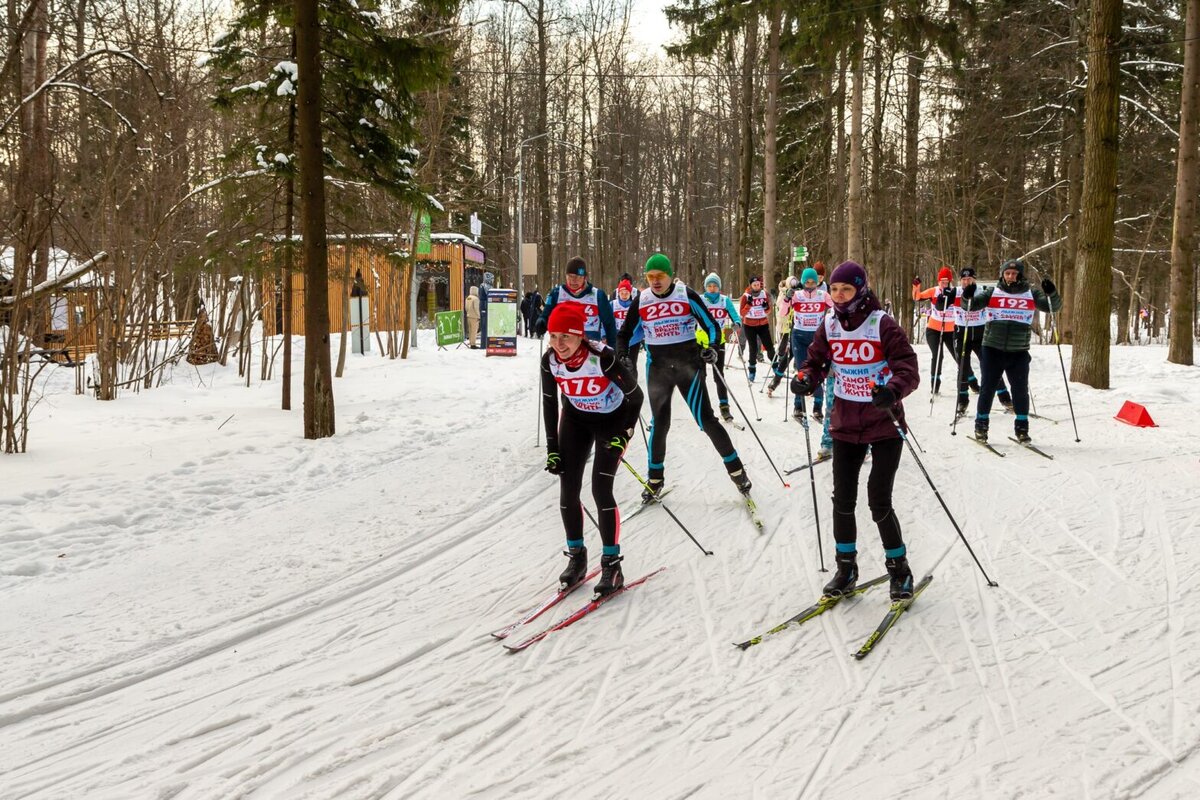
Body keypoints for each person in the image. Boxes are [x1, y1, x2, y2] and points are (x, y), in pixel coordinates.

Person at [792, 260, 921, 601]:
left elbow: (908, 367)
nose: (839, 296)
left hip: (883, 423)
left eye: (846, 289)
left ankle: (900, 571)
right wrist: (806, 377)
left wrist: (892, 390)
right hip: (846, 422)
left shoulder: (882, 324)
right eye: (834, 289)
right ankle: (846, 568)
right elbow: (816, 361)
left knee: (879, 500)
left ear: (860, 290)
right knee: (843, 500)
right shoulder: (829, 323)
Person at [616, 253, 751, 500]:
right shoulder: (642, 299)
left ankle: (737, 472)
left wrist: (710, 346)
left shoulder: (684, 294)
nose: (655, 281)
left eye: (660, 276)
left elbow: (712, 325)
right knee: (660, 425)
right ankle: (655, 480)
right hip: (658, 369)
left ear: (670, 275)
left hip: (688, 365)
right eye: (650, 277)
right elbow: (623, 333)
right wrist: (623, 355)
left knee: (706, 420)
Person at [542, 304, 643, 597]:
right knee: (568, 489)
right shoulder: (550, 361)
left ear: (580, 337)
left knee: (601, 489)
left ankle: (612, 564)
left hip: (612, 420)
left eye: (566, 337)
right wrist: (552, 448)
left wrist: (625, 435)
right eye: (553, 336)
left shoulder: (602, 358)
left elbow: (635, 396)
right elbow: (550, 403)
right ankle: (577, 558)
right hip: (575, 420)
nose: (559, 344)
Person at [961, 258, 1062, 444]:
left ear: (1020, 275)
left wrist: (1051, 293)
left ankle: (1022, 429)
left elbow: (1052, 307)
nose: (1011, 277)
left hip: (1019, 351)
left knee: (1020, 391)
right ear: (1002, 274)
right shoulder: (993, 292)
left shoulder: (1030, 293)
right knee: (988, 389)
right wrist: (967, 296)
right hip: (992, 348)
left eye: (1014, 274)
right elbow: (969, 306)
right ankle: (981, 426)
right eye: (1007, 273)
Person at [951, 267, 1011, 418]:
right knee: (963, 367)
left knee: (991, 366)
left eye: (969, 279)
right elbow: (940, 305)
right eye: (963, 280)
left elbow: (999, 299)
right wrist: (941, 299)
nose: (966, 282)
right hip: (961, 333)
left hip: (981, 334)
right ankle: (962, 401)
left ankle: (1005, 398)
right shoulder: (956, 291)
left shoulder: (983, 290)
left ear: (974, 279)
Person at [775, 267, 831, 422]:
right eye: (807, 281)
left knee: (818, 370)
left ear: (817, 282)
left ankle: (818, 406)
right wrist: (787, 299)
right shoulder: (797, 295)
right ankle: (798, 406)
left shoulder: (822, 295)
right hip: (799, 336)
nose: (810, 284)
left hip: (817, 338)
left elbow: (836, 309)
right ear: (803, 281)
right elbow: (782, 313)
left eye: (813, 281)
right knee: (802, 371)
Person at [535, 257, 618, 344]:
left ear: (585, 278)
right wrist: (542, 321)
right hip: (563, 346)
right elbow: (546, 314)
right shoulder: (557, 293)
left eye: (578, 277)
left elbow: (609, 324)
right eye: (570, 276)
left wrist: (611, 349)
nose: (573, 281)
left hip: (590, 346)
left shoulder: (598, 295)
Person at [700, 272, 743, 422]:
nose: (712, 289)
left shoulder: (724, 300)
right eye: (709, 286)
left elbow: (735, 316)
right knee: (701, 376)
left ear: (719, 287)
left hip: (718, 342)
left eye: (715, 286)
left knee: (719, 376)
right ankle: (703, 408)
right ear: (706, 287)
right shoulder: (700, 300)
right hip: (701, 342)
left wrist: (736, 323)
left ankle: (724, 407)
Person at [911, 266, 959, 394]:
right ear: (938, 282)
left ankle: (970, 382)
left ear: (950, 282)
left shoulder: (955, 292)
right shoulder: (934, 291)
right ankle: (935, 385)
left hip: (950, 330)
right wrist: (916, 287)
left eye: (946, 282)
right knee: (938, 355)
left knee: (958, 356)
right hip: (933, 329)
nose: (944, 284)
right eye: (942, 282)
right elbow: (917, 297)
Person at [740, 275, 775, 383]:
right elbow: (742, 313)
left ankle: (776, 366)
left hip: (762, 324)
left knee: (769, 346)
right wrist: (749, 305)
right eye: (754, 285)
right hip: (749, 325)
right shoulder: (746, 296)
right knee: (753, 348)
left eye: (758, 284)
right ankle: (752, 371)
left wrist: (766, 307)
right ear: (750, 285)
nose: (756, 286)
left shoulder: (764, 294)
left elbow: (769, 311)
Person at [610, 278, 644, 378]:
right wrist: (605, 335)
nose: (624, 295)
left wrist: (643, 336)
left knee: (632, 363)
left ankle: (633, 385)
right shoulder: (613, 304)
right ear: (618, 293)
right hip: (618, 339)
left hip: (634, 339)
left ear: (630, 293)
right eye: (622, 292)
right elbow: (607, 321)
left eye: (626, 293)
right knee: (619, 363)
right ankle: (621, 385)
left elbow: (641, 321)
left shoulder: (635, 304)